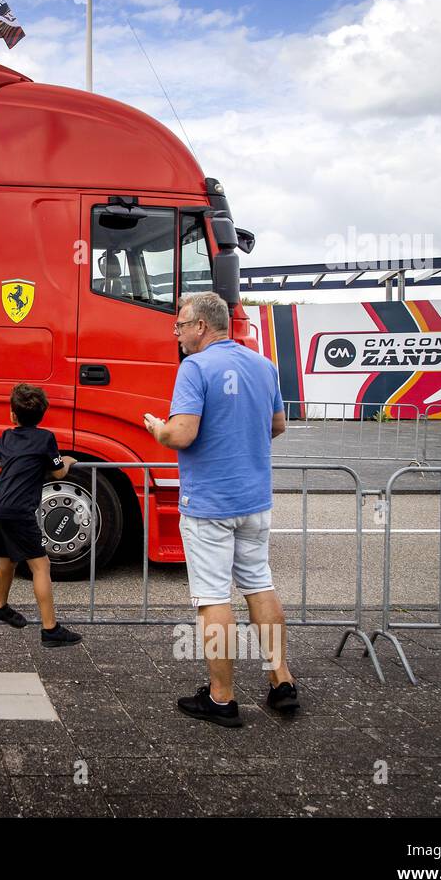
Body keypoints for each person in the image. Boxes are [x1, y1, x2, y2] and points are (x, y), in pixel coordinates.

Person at [143, 291, 298, 728]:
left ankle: (222, 698)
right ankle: (280, 683)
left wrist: (159, 429)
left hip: (209, 502)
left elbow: (183, 435)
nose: (176, 333)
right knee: (259, 586)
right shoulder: (263, 365)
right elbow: (277, 426)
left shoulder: (194, 367)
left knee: (213, 599)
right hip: (255, 500)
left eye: (180, 325)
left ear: (201, 327)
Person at [0, 383, 82, 648]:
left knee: (7, 559)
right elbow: (59, 472)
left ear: (12, 415)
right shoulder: (45, 438)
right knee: (41, 566)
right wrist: (69, 460)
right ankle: (50, 629)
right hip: (20, 510)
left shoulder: (6, 436)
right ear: (42, 414)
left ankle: (0, 606)